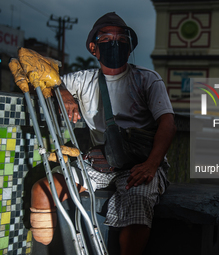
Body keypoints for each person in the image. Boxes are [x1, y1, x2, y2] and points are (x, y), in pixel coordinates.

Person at [30, 12, 176, 255]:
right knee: (41, 191)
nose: (114, 42)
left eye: (121, 38)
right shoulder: (82, 79)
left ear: (130, 47)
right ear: (93, 47)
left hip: (140, 163)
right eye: (106, 38)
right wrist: (61, 89)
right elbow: (34, 64)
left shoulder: (147, 79)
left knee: (137, 201)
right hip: (100, 163)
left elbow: (168, 123)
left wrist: (152, 164)